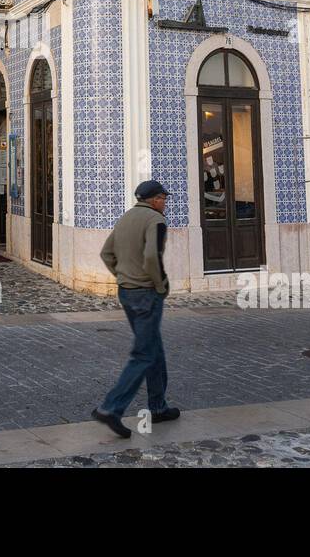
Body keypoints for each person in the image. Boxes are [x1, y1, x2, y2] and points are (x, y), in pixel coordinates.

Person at [92, 180, 180, 439]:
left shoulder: (126, 217)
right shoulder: (156, 221)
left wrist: (122, 275)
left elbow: (106, 254)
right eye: (164, 198)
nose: (165, 203)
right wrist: (159, 283)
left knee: (153, 346)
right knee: (144, 353)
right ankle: (111, 407)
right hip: (146, 294)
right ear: (154, 200)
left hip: (126, 292)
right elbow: (152, 257)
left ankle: (158, 406)